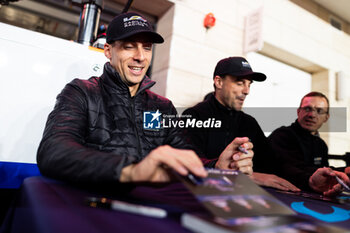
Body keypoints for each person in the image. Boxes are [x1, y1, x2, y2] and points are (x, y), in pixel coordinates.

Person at [37, 12, 253, 185]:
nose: (140, 56)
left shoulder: (162, 107)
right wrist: (132, 170)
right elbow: (54, 151)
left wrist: (217, 166)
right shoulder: (82, 92)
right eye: (129, 46)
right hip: (91, 205)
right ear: (108, 51)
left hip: (149, 208)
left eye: (147, 47)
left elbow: (186, 156)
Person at [183, 57, 299, 191]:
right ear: (219, 82)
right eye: (240, 83)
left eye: (249, 84)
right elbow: (187, 163)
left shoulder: (249, 123)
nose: (247, 91)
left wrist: (310, 177)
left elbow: (272, 165)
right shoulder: (194, 116)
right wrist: (247, 176)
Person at [268, 92, 350, 195]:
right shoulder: (282, 135)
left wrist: (345, 171)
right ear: (298, 112)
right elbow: (289, 170)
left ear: (326, 117)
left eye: (319, 111)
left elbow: (324, 172)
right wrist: (342, 171)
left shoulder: (321, 145)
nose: (312, 115)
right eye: (307, 109)